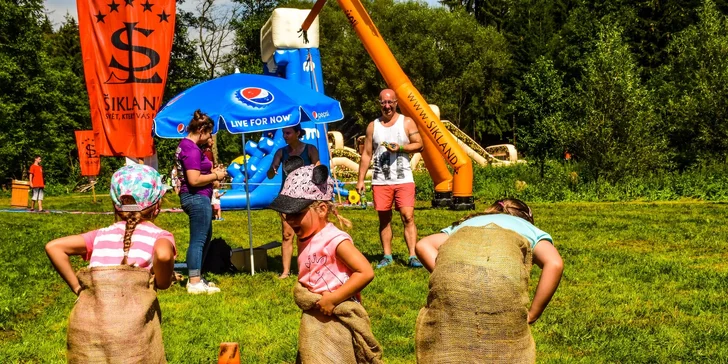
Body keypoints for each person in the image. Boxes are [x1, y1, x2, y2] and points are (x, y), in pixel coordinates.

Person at [44, 164, 176, 362]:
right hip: (130, 327)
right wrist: (164, 279)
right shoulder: (160, 236)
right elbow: (164, 255)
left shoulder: (100, 235)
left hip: (90, 325)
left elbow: (54, 247)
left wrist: (78, 289)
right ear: (157, 206)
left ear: (116, 204)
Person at [414, 198, 564, 362]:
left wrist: (448, 271)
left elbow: (423, 245)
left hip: (452, 286)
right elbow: (554, 264)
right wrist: (533, 314)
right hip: (502, 285)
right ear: (526, 219)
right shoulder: (529, 229)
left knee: (450, 338)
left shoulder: (467, 223)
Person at [268, 164, 382, 362]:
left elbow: (365, 272)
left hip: (336, 314)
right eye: (287, 215)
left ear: (321, 209)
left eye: (297, 214)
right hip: (315, 315)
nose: (291, 221)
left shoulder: (334, 240)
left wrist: (333, 299)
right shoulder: (306, 236)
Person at [357, 89, 423, 268]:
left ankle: (412, 256)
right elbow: (367, 154)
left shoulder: (407, 122)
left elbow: (420, 145)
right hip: (381, 180)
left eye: (390, 102)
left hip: (403, 179)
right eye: (383, 103)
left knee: (407, 216)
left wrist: (400, 148)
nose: (387, 106)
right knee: (384, 219)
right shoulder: (373, 126)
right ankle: (387, 256)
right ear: (379, 104)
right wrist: (361, 180)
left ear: (396, 103)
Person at [176, 110, 228, 294]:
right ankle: (194, 281)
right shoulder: (190, 148)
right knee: (198, 240)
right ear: (201, 130)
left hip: (200, 196)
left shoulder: (189, 147)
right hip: (195, 197)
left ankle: (198, 276)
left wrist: (213, 178)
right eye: (209, 134)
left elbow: (199, 176)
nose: (208, 138)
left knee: (205, 237)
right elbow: (194, 180)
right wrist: (216, 175)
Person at [267, 124, 320, 279]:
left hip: (305, 197)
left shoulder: (310, 149)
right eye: (284, 133)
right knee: (287, 234)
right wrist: (272, 170)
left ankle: (308, 269)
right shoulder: (280, 152)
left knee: (307, 233)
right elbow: (270, 174)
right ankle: (285, 272)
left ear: (298, 133)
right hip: (286, 197)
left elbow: (317, 167)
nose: (285, 136)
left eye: (288, 133)